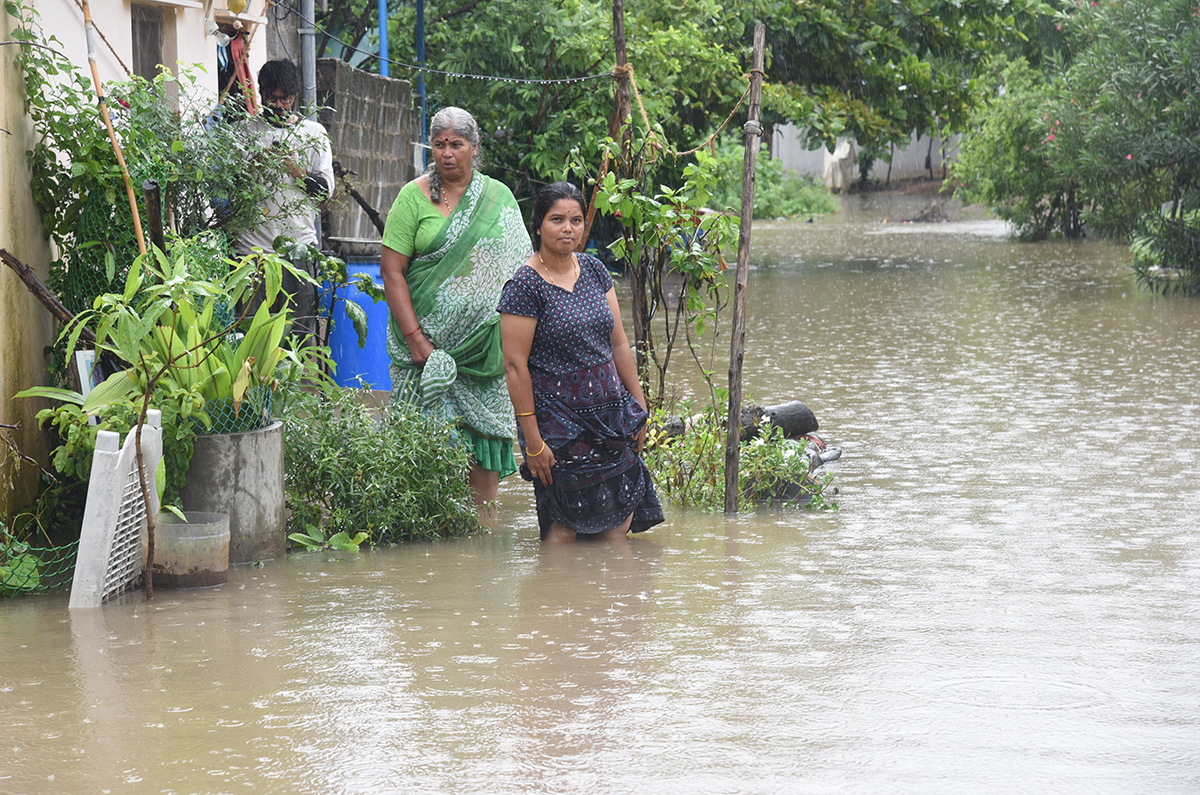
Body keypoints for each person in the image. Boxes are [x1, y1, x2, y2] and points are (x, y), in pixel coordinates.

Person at [498, 182, 664, 543]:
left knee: (618, 523)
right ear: (538, 225)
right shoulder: (524, 285)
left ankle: (605, 599)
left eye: (575, 220)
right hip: (559, 426)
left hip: (611, 419)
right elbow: (514, 367)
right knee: (563, 529)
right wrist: (533, 442)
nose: (568, 228)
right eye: (557, 219)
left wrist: (638, 407)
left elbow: (618, 343)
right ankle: (557, 597)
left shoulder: (593, 270)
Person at [380, 107, 529, 507]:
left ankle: (480, 552)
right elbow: (392, 272)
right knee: (421, 470)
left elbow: (521, 277)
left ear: (474, 148)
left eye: (456, 145)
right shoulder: (412, 198)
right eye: (440, 144)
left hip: (484, 357)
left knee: (482, 476)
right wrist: (415, 340)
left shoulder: (498, 198)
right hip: (423, 357)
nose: (447, 153)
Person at [234, 58, 334, 340]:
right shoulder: (245, 132)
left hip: (298, 250)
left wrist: (297, 171)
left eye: (285, 99)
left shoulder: (313, 134)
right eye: (272, 97)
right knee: (252, 335)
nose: (279, 105)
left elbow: (326, 189)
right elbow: (228, 190)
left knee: (300, 334)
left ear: (295, 97)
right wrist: (256, 164)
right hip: (252, 253)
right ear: (262, 94)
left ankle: (298, 385)